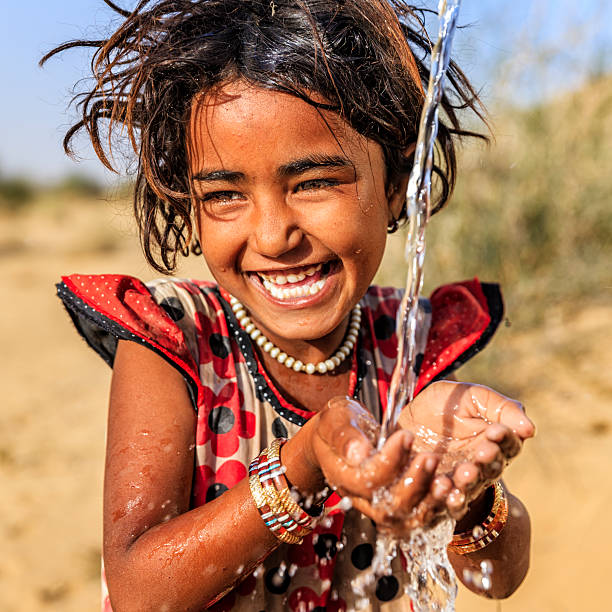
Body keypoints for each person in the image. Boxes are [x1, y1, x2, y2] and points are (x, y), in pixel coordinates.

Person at [44, 1, 535, 610]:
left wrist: (474, 499)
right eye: (225, 194)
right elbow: (140, 590)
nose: (275, 236)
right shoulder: (175, 342)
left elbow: (502, 576)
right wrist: (304, 462)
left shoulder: (410, 345)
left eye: (315, 183)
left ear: (394, 183)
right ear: (190, 206)